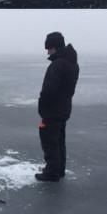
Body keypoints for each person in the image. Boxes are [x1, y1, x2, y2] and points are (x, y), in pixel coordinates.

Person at [36, 32, 79, 182]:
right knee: (59, 141)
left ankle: (52, 172)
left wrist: (42, 108)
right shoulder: (72, 63)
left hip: (52, 111)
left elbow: (48, 90)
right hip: (64, 109)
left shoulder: (57, 65)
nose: (47, 51)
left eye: (49, 48)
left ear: (55, 47)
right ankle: (59, 170)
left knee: (49, 141)